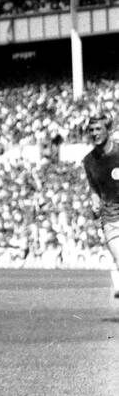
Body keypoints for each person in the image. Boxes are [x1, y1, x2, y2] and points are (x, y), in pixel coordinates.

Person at [80, 111, 119, 299]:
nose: (94, 133)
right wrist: (94, 204)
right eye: (91, 130)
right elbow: (94, 189)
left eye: (98, 128)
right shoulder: (88, 161)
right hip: (111, 218)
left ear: (108, 130)